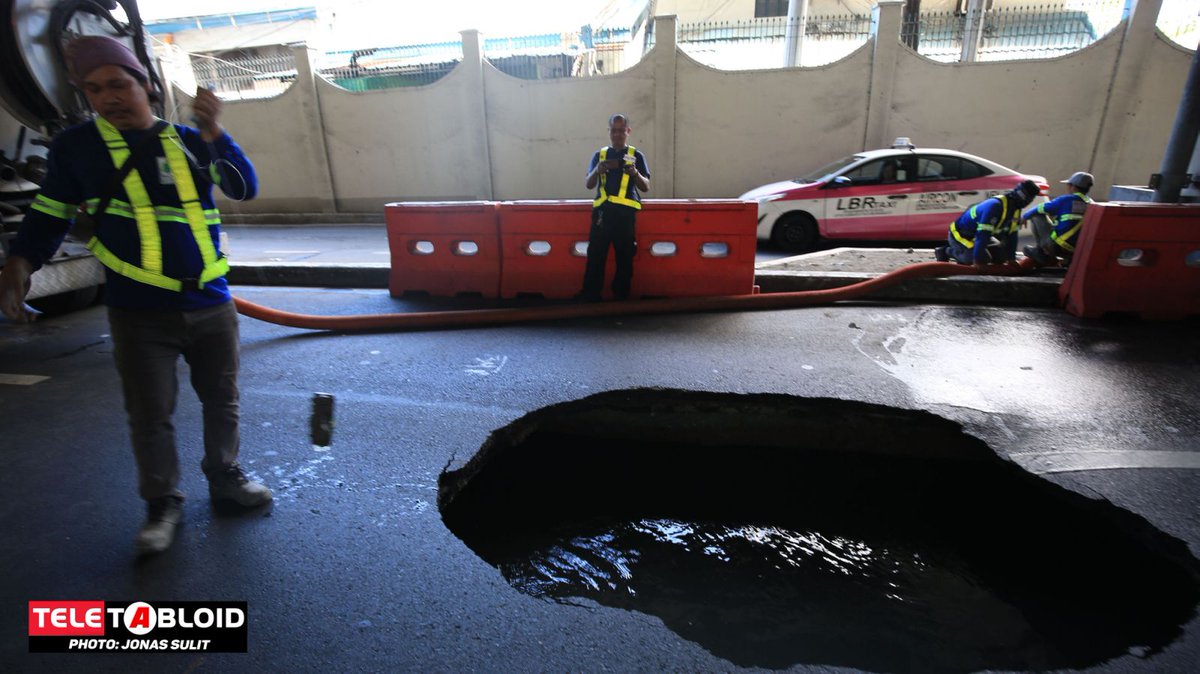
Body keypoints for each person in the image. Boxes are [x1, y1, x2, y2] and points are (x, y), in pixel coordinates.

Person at [0, 35, 271, 556]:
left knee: (223, 401)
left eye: (119, 84)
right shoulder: (77, 149)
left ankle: (226, 477)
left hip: (210, 303)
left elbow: (243, 188)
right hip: (137, 312)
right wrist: (20, 262)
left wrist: (215, 133)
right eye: (95, 89)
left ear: (145, 84)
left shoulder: (191, 140)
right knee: (151, 414)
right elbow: (50, 215)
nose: (109, 97)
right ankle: (162, 504)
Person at [578, 113, 650, 301]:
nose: (617, 134)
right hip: (602, 214)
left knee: (625, 259)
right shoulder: (600, 155)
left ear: (628, 131)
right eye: (614, 130)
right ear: (609, 131)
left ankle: (621, 298)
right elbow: (589, 183)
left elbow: (645, 186)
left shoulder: (636, 156)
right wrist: (597, 170)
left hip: (625, 216)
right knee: (595, 257)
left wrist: (634, 173)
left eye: (621, 130)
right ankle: (591, 296)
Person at [935, 179, 1040, 269]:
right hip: (961, 234)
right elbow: (982, 235)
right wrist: (977, 260)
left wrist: (1011, 259)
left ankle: (970, 253)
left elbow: (1012, 235)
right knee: (981, 258)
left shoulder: (1015, 210)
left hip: (980, 236)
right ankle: (946, 251)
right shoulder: (995, 206)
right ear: (1022, 195)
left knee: (1001, 258)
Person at [1022, 171, 1094, 267]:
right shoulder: (1092, 204)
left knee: (1037, 216)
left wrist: (1024, 217)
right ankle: (1066, 259)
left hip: (1057, 246)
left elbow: (1039, 208)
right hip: (1076, 251)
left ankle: (1042, 251)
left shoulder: (1065, 200)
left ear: (1072, 186)